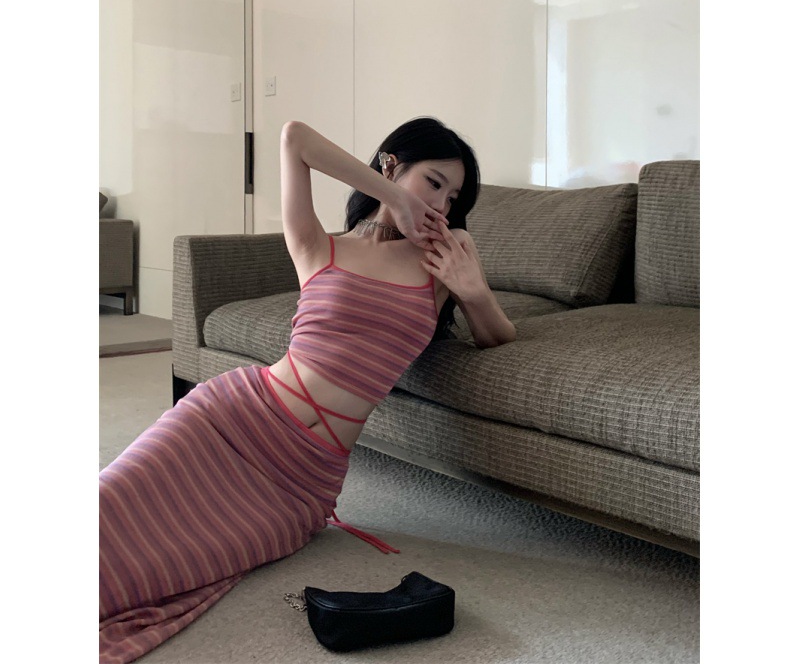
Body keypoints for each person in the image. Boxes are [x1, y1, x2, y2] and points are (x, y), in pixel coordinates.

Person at [99, 117, 516, 663]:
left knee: (171, 567)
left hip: (301, 481)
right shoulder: (320, 245)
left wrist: (473, 292)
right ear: (391, 166)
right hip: (228, 421)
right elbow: (294, 137)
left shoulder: (448, 252)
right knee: (104, 513)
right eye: (432, 183)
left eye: (452, 196)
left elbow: (497, 336)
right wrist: (396, 199)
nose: (440, 205)